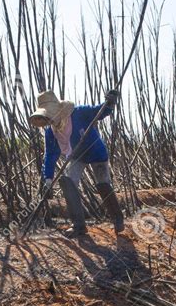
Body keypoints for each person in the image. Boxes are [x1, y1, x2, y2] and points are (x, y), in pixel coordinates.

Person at [29, 90, 124, 237]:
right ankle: (78, 225)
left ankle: (117, 218)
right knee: (68, 182)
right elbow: (50, 155)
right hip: (76, 157)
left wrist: (109, 103)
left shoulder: (78, 113)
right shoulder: (51, 132)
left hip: (96, 153)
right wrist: (47, 179)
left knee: (103, 184)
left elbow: (99, 111)